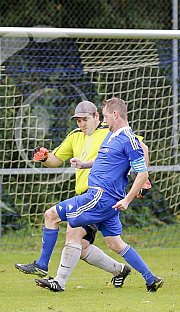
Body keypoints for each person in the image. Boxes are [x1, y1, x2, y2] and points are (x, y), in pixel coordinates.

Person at [24, 97, 163, 293]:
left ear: (115, 115)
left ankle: (46, 268)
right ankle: (151, 278)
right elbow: (104, 159)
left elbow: (142, 173)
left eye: (105, 116)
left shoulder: (129, 139)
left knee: (53, 215)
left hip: (99, 197)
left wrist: (128, 199)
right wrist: (84, 164)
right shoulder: (112, 135)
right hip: (106, 200)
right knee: (115, 244)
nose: (104, 121)